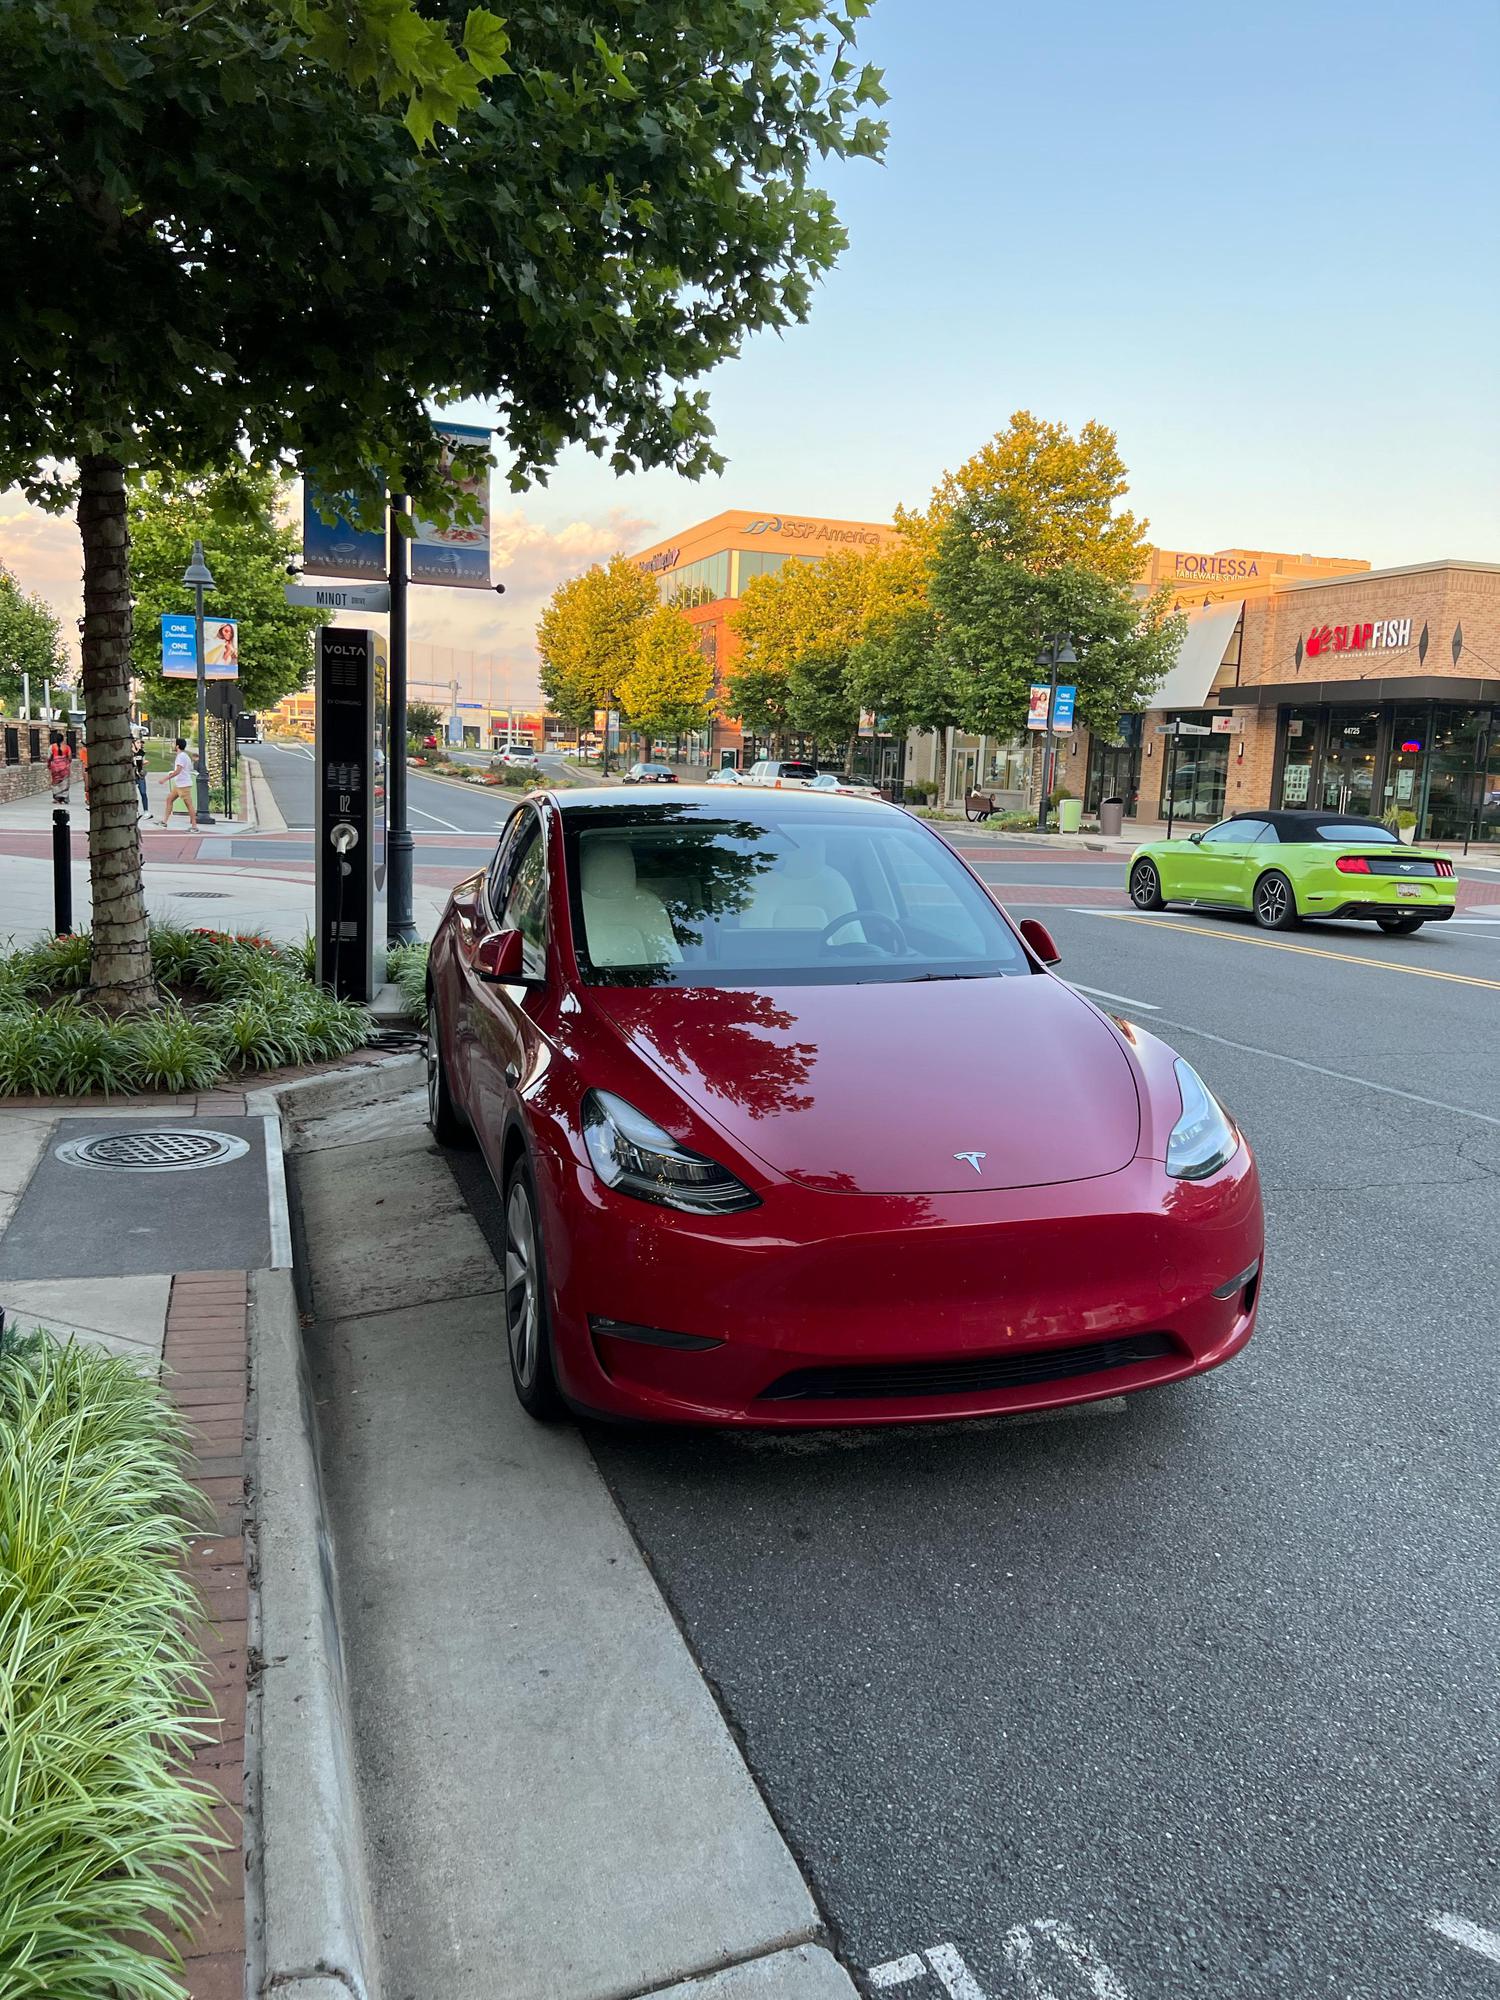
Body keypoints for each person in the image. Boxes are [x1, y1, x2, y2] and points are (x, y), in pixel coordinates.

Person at [160, 737, 198, 827]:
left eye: (174, 743)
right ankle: (164, 822)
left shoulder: (181, 757)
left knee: (189, 805)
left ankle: (194, 826)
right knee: (169, 799)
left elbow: (178, 771)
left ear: (177, 746)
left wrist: (165, 779)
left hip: (183, 785)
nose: (172, 745)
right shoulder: (183, 756)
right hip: (178, 785)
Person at [46, 731, 71, 805]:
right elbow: (69, 758)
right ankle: (64, 798)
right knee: (65, 782)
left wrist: (49, 765)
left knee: (55, 782)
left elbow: (49, 757)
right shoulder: (67, 747)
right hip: (64, 767)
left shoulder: (52, 747)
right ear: (63, 739)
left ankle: (56, 798)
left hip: (55, 767)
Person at [132, 732, 149, 814]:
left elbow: (141, 762)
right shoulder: (129, 752)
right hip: (132, 776)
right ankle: (135, 811)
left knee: (143, 792)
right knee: (133, 795)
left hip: (140, 775)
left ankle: (146, 811)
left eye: (140, 743)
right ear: (133, 743)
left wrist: (143, 763)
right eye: (137, 742)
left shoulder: (142, 752)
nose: (139, 744)